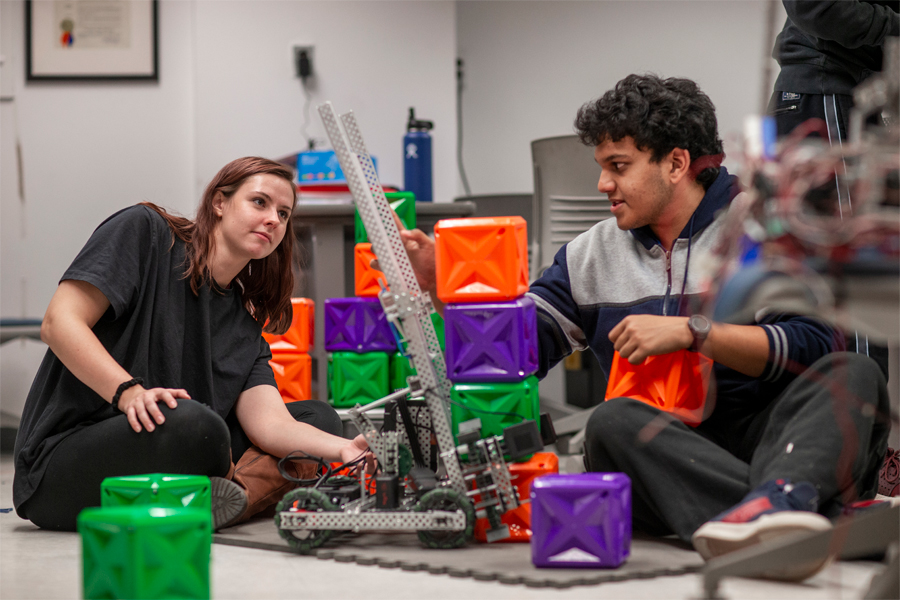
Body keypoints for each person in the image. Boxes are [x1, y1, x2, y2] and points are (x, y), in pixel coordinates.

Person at [399, 75, 889, 581]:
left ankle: (775, 503)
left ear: (676, 163)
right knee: (610, 422)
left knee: (854, 370)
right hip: (668, 455)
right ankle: (801, 522)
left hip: (778, 443)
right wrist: (448, 292)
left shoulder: (765, 228)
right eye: (602, 168)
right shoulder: (591, 253)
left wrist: (696, 333)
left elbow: (809, 346)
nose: (602, 184)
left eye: (618, 167)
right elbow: (513, 352)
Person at [13, 157, 369, 532]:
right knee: (196, 425)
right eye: (260, 202)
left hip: (173, 443)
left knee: (320, 420)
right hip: (61, 464)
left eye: (284, 213)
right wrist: (129, 393)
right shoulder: (145, 233)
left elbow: (271, 425)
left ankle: (228, 500)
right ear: (219, 202)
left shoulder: (244, 326)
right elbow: (59, 322)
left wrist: (343, 450)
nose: (274, 220)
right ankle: (229, 494)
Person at [768, 0, 899, 378]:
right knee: (852, 262)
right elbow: (819, 7)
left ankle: (838, 425)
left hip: (838, 90)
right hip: (827, 89)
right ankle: (859, 428)